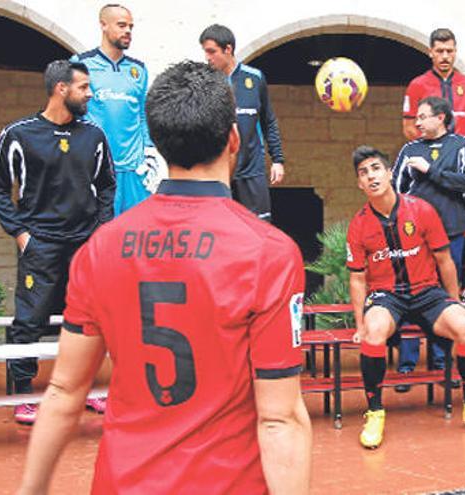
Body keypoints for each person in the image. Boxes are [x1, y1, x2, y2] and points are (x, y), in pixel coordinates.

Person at [17, 61, 311, 494]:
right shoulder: (269, 253)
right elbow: (279, 417)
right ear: (234, 139)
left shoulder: (100, 249)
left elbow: (63, 392)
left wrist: (31, 490)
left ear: (156, 140)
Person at [346, 145, 465, 449]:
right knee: (374, 334)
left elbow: (445, 260)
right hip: (386, 296)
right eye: (364, 173)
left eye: (376, 168)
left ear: (390, 174)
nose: (371, 176)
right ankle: (375, 412)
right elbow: (357, 278)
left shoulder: (421, 210)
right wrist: (359, 325)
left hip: (427, 293)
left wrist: (454, 301)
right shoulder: (359, 224)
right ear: (360, 184)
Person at [0, 60, 115, 424]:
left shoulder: (93, 136)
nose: (90, 94)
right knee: (31, 319)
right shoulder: (18, 134)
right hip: (39, 243)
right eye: (84, 87)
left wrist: (100, 232)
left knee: (90, 319)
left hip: (84, 243)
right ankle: (25, 396)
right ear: (61, 89)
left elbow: (106, 185)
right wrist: (21, 234)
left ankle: (89, 389)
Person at [391, 96, 465, 390]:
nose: (417, 122)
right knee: (408, 292)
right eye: (416, 117)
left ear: (440, 117)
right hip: (413, 235)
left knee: (443, 297)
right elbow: (395, 190)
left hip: (452, 231)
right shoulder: (409, 149)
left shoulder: (462, 146)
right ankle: (407, 367)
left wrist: (431, 171)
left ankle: (442, 362)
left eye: (423, 116)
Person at [402, 27, 465, 305]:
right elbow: (407, 127)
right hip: (428, 165)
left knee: (464, 224)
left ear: (455, 51)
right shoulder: (417, 85)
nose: (445, 56)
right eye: (439, 51)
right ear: (430, 52)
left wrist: (455, 151)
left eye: (449, 50)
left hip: (457, 163)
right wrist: (431, 150)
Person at [72, 4, 164, 216]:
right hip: (97, 168)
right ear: (103, 25)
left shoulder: (138, 69)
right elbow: (74, 112)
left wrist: (149, 151)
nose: (128, 31)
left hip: (134, 170)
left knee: (136, 234)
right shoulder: (82, 63)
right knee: (99, 235)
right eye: (122, 25)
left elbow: (141, 113)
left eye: (131, 27)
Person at [200, 23, 285, 222]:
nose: (207, 58)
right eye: (205, 52)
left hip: (252, 170)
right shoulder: (206, 83)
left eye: (212, 52)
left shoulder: (254, 78)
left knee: (258, 229)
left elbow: (268, 121)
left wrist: (278, 160)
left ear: (228, 49)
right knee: (221, 228)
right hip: (219, 173)